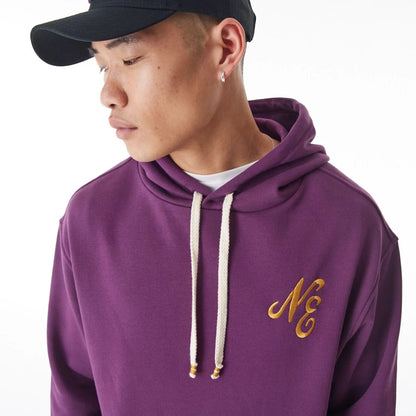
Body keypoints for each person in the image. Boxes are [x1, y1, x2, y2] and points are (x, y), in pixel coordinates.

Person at [31, 1, 402, 415]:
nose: (108, 95)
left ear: (226, 47)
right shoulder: (92, 220)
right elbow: (75, 398)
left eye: (130, 59)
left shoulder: (348, 227)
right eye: (103, 66)